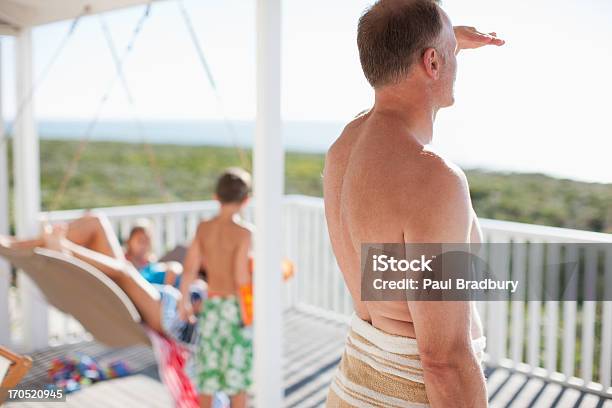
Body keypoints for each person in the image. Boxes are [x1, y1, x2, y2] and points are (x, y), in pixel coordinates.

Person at [323, 1, 504, 407]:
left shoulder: (346, 147)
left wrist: (443, 40)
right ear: (433, 62)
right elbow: (443, 359)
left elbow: (397, 60)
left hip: (354, 384)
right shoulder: (433, 180)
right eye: (450, 54)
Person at [178, 168, 254, 408]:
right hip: (233, 310)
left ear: (216, 197)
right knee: (237, 377)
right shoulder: (244, 234)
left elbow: (189, 268)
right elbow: (242, 278)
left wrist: (184, 302)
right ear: (246, 200)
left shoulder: (204, 228)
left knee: (208, 376)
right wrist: (248, 312)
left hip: (211, 307)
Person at [124, 218, 183, 288]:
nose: (143, 245)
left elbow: (174, 267)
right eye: (140, 241)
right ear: (129, 241)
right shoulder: (124, 259)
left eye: (147, 241)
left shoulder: (150, 260)